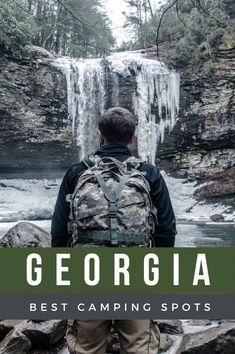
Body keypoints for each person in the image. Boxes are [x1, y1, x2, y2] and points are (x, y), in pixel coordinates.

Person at [51, 107, 177, 354]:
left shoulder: (77, 172)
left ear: (99, 136)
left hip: (89, 272)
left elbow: (59, 231)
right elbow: (167, 230)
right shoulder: (148, 173)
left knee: (87, 347)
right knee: (140, 346)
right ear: (133, 138)